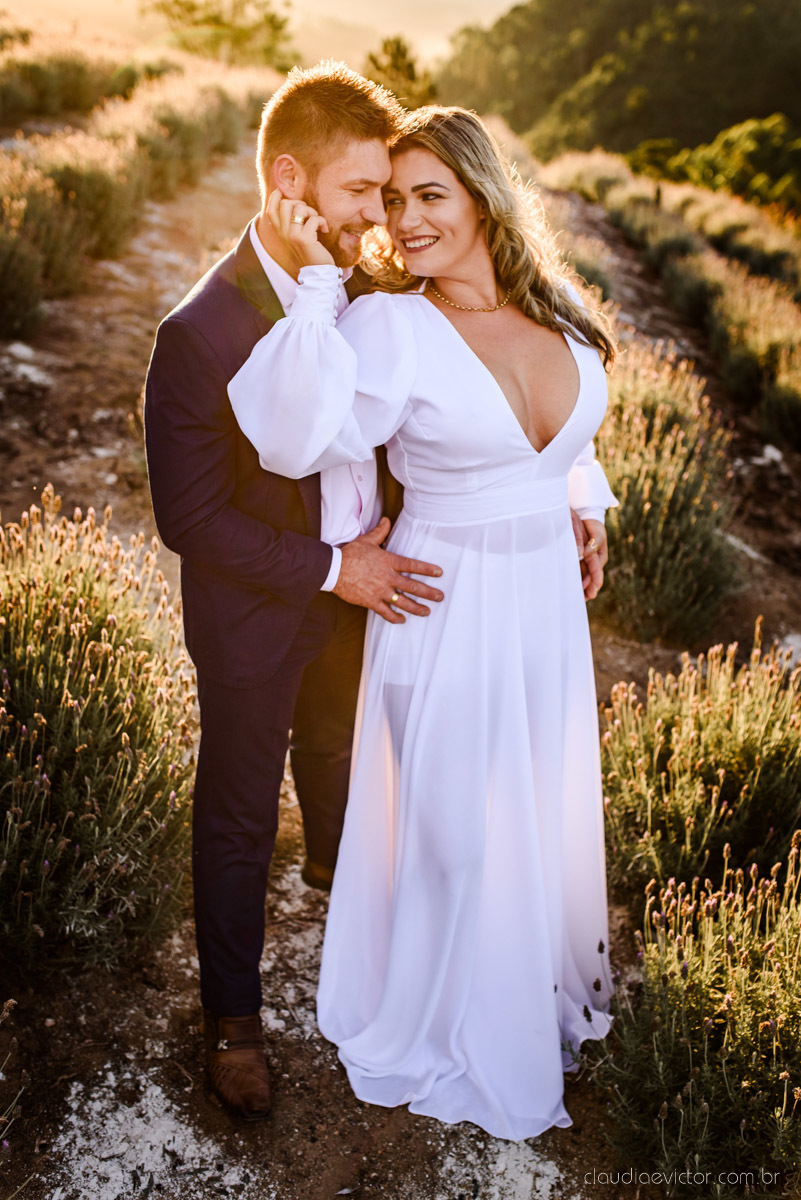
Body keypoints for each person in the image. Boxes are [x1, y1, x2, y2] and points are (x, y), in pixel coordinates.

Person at [229, 105, 618, 1141]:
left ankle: (521, 994)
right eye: (391, 201)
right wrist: (318, 284)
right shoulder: (390, 324)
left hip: (541, 603)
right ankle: (453, 1022)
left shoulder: (565, 315)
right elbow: (294, 437)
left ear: (486, 196)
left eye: (428, 196)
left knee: (530, 800)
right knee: (452, 826)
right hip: (440, 603)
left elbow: (568, 434)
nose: (402, 222)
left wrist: (582, 505)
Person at [142, 63, 447, 1122]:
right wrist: (333, 568)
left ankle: (338, 898)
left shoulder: (365, 292)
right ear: (290, 181)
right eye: (364, 192)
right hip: (260, 610)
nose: (382, 216)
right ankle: (232, 1018)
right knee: (234, 811)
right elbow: (192, 521)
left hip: (356, 596)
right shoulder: (198, 331)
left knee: (339, 752)